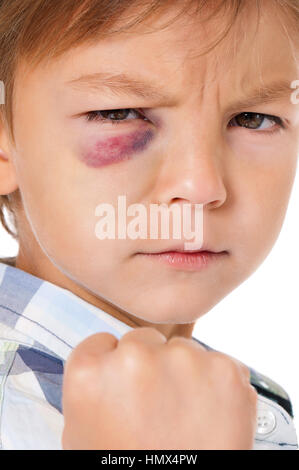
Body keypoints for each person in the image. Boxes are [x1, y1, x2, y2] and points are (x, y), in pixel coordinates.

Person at [0, 0, 298, 450]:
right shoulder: (18, 416)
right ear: (5, 147)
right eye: (119, 113)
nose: (202, 186)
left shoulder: (231, 397)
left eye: (253, 119)